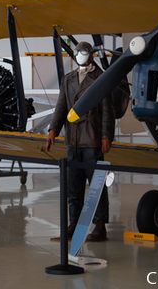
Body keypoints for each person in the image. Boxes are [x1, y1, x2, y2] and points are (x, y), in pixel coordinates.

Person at [46, 41, 125, 242]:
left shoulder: (100, 78)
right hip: (73, 139)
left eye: (84, 52)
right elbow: (61, 106)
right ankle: (74, 224)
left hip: (92, 137)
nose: (80, 55)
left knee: (96, 184)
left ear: (91, 54)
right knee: (74, 185)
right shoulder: (68, 79)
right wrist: (53, 129)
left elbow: (108, 109)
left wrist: (107, 136)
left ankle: (100, 226)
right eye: (78, 52)